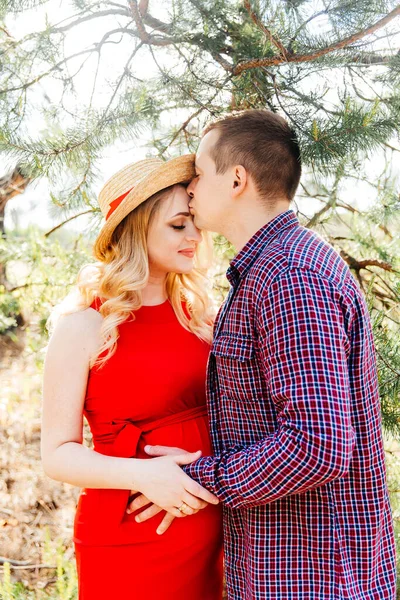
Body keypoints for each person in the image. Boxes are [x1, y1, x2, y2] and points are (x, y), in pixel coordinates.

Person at [132, 110, 397, 599]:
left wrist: (198, 477)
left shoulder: (290, 279)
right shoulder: (269, 273)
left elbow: (317, 445)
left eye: (201, 172)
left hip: (313, 576)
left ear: (236, 179)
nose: (191, 186)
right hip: (279, 564)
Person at [41, 155, 223, 600]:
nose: (196, 237)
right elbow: (57, 455)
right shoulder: (84, 324)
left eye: (195, 223)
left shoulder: (201, 316)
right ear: (139, 228)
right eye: (179, 225)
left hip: (214, 528)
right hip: (130, 534)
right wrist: (145, 476)